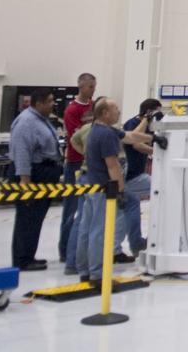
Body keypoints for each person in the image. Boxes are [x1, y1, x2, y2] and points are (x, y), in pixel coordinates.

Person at [7, 90, 62, 270]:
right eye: (50, 101)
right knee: (28, 217)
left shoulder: (41, 119)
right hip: (32, 174)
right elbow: (22, 152)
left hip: (44, 172)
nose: (53, 104)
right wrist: (25, 180)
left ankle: (28, 255)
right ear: (38, 103)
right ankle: (22, 260)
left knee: (35, 218)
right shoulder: (26, 122)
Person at [82, 98, 126, 286]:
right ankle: (97, 274)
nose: (119, 112)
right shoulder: (107, 134)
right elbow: (112, 165)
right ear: (105, 113)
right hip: (103, 189)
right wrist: (120, 189)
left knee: (87, 229)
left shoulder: (94, 130)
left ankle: (84, 269)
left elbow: (129, 136)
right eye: (115, 109)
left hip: (92, 186)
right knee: (100, 232)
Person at [59, 72, 96, 261]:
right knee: (71, 209)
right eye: (90, 87)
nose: (93, 90)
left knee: (85, 211)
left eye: (94, 87)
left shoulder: (93, 105)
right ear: (81, 86)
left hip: (89, 163)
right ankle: (65, 251)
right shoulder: (72, 110)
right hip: (75, 162)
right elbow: (76, 137)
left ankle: (82, 250)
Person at [120, 98, 162, 258]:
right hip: (132, 176)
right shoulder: (132, 124)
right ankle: (133, 244)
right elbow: (136, 143)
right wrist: (156, 151)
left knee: (129, 211)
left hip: (136, 174)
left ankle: (134, 244)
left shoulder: (147, 125)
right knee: (162, 188)